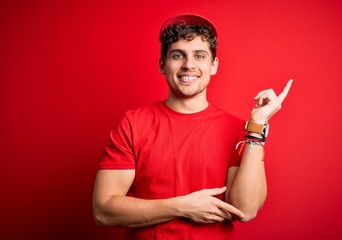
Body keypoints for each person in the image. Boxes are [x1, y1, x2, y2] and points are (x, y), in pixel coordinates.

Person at [92, 13, 292, 239]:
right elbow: (104, 211)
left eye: (199, 55)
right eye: (178, 55)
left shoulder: (238, 130)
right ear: (162, 64)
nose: (188, 65)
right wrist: (182, 206)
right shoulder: (132, 124)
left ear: (213, 65)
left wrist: (257, 126)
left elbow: (245, 210)